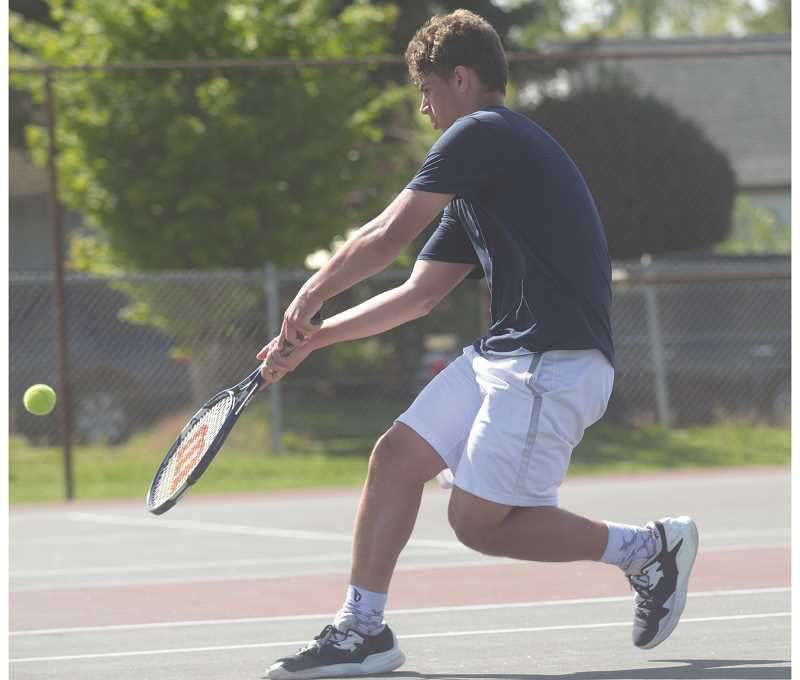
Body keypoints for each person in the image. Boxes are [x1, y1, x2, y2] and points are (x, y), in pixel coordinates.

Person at [259, 10, 698, 679]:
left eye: (428, 90)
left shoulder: (483, 132)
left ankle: (647, 550)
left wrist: (311, 292)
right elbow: (419, 293)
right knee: (397, 457)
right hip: (505, 355)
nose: (425, 107)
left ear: (462, 79)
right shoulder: (482, 177)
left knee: (476, 521)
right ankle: (363, 630)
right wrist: (317, 340)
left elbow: (385, 234)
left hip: (553, 359)